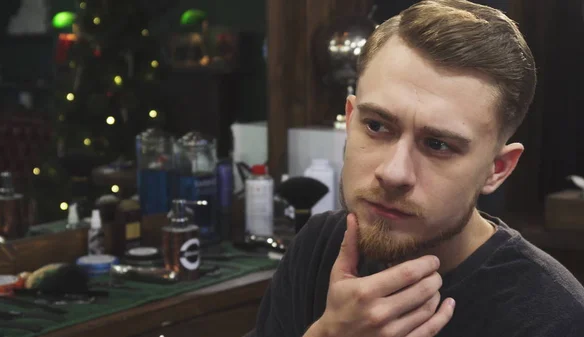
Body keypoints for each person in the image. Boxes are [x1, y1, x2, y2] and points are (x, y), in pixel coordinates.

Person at [249, 0, 584, 336]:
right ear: (350, 120)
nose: (394, 173)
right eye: (377, 126)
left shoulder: (554, 317)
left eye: (438, 145)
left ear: (497, 169)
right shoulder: (318, 247)